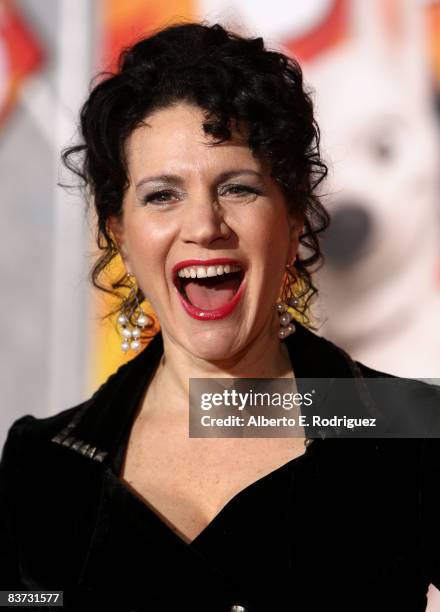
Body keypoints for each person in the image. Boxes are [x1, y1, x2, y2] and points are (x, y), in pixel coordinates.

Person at [1, 22, 439, 612]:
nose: (205, 226)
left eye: (237, 188)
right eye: (162, 195)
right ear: (120, 236)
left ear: (293, 219)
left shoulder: (409, 426)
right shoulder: (43, 462)